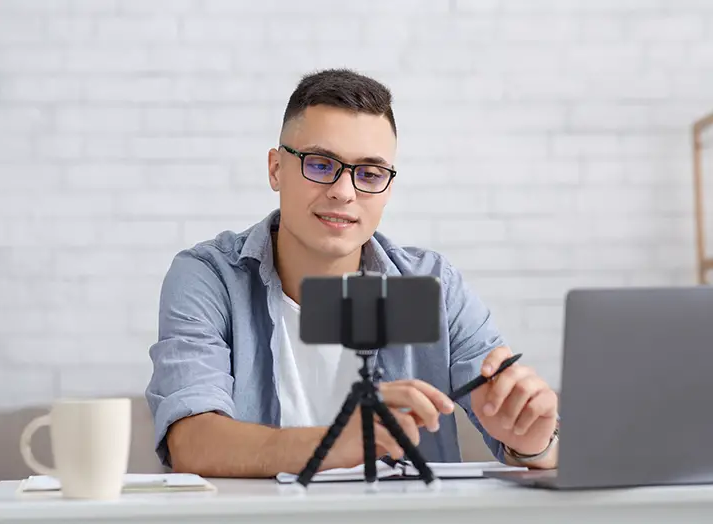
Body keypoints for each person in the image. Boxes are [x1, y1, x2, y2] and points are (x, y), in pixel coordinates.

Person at [145, 68, 559, 478]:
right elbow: (193, 443)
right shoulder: (210, 277)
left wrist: (533, 440)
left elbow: (536, 443)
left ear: (387, 188)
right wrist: (337, 442)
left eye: (369, 174)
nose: (344, 192)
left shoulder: (435, 284)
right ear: (276, 169)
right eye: (321, 164)